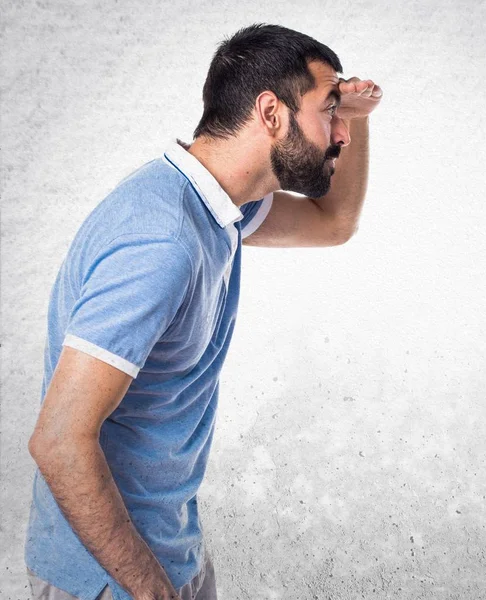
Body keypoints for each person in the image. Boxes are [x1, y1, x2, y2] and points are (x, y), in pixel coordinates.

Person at [25, 23, 383, 600]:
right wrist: (153, 591)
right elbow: (59, 440)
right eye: (328, 110)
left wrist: (358, 119)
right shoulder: (160, 242)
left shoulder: (220, 206)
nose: (338, 132)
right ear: (271, 113)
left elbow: (333, 224)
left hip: (170, 555)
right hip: (108, 579)